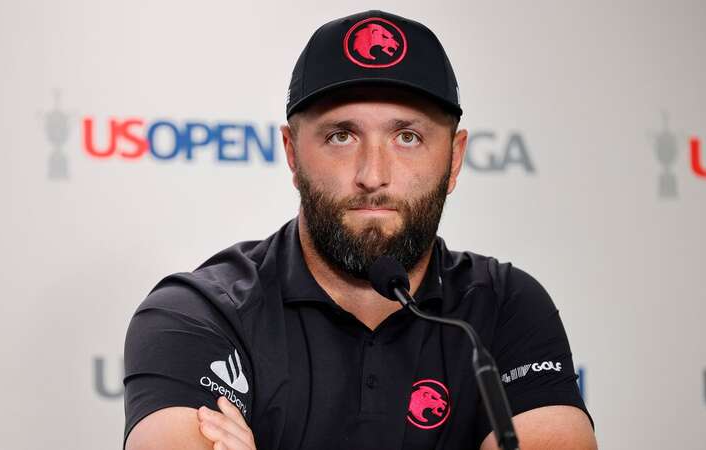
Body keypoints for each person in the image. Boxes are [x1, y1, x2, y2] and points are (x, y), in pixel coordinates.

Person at [123, 10, 596, 450]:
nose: (373, 174)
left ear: (453, 159)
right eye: (341, 135)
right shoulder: (200, 313)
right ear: (292, 153)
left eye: (407, 137)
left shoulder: (503, 307)